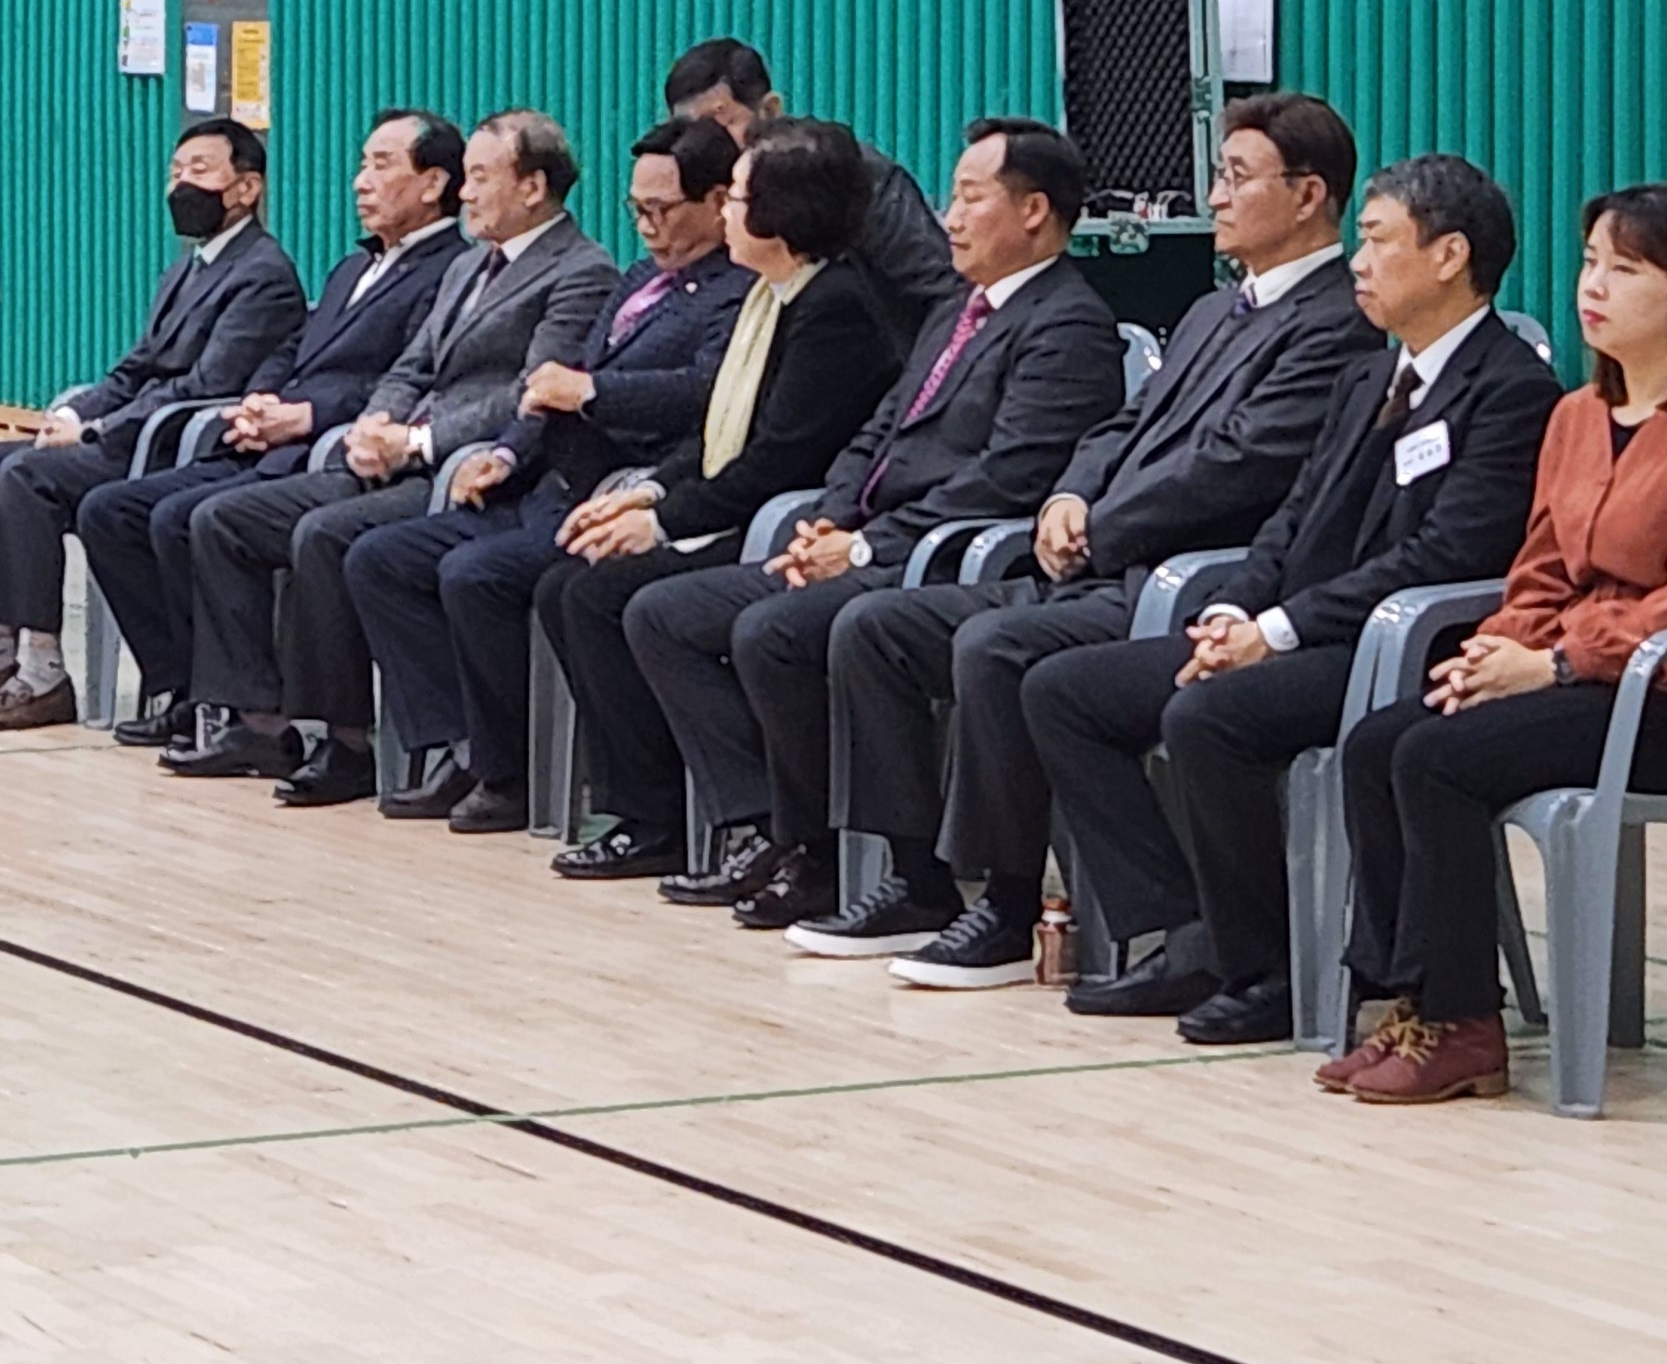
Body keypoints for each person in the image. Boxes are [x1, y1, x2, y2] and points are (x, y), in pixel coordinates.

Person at [806, 89, 1378, 967]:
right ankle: (919, 880)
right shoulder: (1212, 310)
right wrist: (1068, 498)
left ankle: (1014, 905)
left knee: (997, 650)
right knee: (878, 627)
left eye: (1236, 178)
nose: (1215, 198)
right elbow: (1125, 425)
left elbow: (1237, 463)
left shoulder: (1338, 324)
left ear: (1308, 195)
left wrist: (1101, 526)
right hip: (1102, 560)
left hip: (1186, 577)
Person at [1017, 157, 1563, 1036]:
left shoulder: (1511, 392)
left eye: (1377, 242)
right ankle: (1187, 930)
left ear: (1450, 255)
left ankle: (1266, 971)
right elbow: (1292, 519)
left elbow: (1444, 556)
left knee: (1211, 718)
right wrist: (1234, 610)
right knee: (1065, 690)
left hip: (1401, 648)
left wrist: (1277, 630)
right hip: (1298, 628)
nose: (1358, 263)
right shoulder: (1368, 378)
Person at [1327, 182, 1667, 1108]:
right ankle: (1407, 997)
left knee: (1437, 760)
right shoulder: (1578, 416)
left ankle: (1465, 1024)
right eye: (1589, 264)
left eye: (1625, 269)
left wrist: (1552, 663)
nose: (1594, 287)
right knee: (1380, 740)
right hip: (1580, 677)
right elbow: (1540, 569)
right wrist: (1493, 651)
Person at [579, 119, 1126, 897]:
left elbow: (1009, 478)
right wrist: (832, 519)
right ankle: (779, 834)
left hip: (936, 555)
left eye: (970, 198)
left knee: (783, 630)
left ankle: (885, 871)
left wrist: (866, 546)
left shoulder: (1067, 323)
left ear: (1033, 210)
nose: (948, 218)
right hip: (872, 537)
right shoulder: (958, 309)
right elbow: (879, 431)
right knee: (663, 613)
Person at [167, 112, 617, 802]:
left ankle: (372, 742)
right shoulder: (470, 265)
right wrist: (376, 423)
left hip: (475, 469)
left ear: (532, 187)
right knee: (227, 518)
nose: (466, 193)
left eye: (480, 178)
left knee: (329, 537)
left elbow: (529, 393)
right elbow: (413, 366)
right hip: (401, 457)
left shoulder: (581, 272)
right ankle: (265, 723)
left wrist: (417, 442)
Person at [337, 116, 751, 827]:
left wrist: (593, 395)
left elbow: (698, 394)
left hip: (626, 484)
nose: (646, 227)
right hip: (549, 479)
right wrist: (504, 452)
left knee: (480, 575)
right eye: (636, 209)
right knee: (384, 557)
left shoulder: (729, 291)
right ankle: (461, 745)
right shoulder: (640, 280)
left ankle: (509, 771)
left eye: (661, 210)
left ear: (718, 203)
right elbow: (547, 388)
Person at [532, 119, 906, 870]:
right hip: (746, 505)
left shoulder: (835, 308)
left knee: (623, 599)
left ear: (783, 211)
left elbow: (777, 460)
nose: (727, 212)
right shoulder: (773, 297)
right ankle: (650, 807)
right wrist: (645, 495)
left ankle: (746, 820)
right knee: (567, 585)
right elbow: (716, 438)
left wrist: (663, 523)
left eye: (736, 197)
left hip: (791, 521)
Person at [73, 110, 467, 751]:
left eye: (381, 165)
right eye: (361, 165)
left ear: (434, 184)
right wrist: (262, 399)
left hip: (335, 450)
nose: (361, 181)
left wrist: (307, 416)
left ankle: (260, 720)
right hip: (277, 441)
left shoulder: (449, 271)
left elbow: (407, 377)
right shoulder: (352, 267)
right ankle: (188, 688)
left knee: (204, 518)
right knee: (116, 511)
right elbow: (295, 348)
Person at [0, 118, 307, 728]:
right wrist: (74, 412)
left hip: (174, 444)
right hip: (133, 429)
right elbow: (137, 366)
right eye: (175, 172)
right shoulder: (188, 267)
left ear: (246, 188)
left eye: (199, 171)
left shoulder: (263, 274)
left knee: (29, 477)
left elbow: (205, 386)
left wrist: (96, 432)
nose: (180, 186)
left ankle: (44, 671)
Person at [661, 38, 954, 331]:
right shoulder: (686, 191)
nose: (707, 144)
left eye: (721, 123)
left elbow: (935, 286)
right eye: (689, 132)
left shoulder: (849, 172)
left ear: (770, 109)